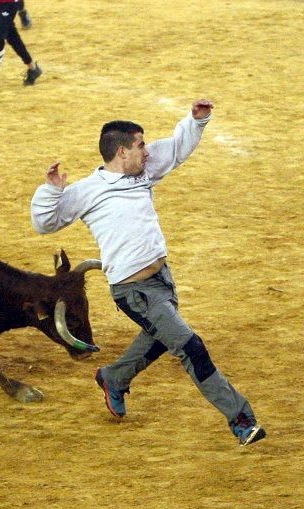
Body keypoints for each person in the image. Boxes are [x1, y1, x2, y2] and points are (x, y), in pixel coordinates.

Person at [30, 99, 267, 446]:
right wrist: (51, 191)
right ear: (122, 152)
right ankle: (241, 419)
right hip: (134, 290)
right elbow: (44, 222)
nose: (146, 151)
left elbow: (175, 149)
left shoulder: (142, 170)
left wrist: (196, 121)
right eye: (140, 145)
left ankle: (114, 378)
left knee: (158, 340)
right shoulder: (87, 191)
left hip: (162, 280)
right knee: (191, 347)